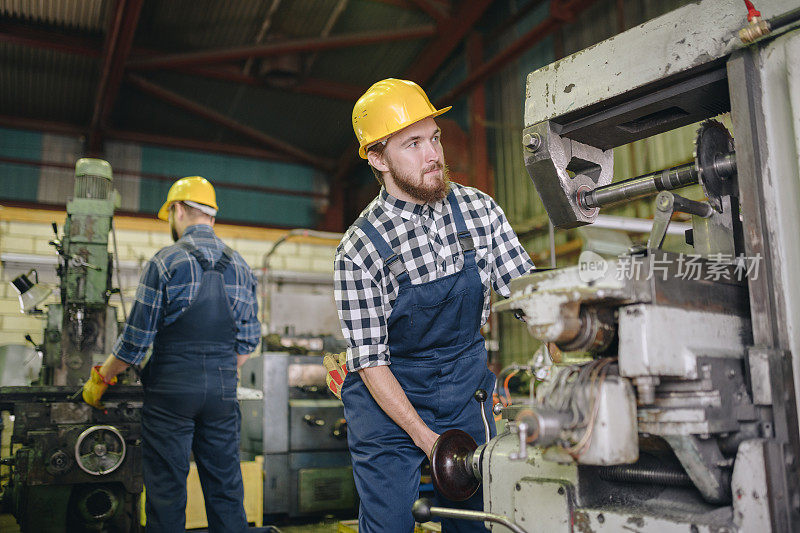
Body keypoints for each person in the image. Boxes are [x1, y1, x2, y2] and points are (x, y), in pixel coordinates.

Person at [332, 78, 535, 532]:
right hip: (389, 396)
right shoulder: (359, 251)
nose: (434, 156)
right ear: (378, 158)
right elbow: (370, 362)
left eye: (435, 138)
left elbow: (528, 297)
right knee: (389, 524)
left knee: (478, 519)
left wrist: (568, 355)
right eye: (413, 144)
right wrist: (427, 440)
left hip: (465, 387)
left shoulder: (479, 211)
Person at [81, 176, 259, 533]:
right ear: (211, 216)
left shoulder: (165, 261)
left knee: (167, 492)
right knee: (226, 490)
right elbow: (249, 341)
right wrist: (220, 370)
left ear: (177, 210)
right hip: (223, 393)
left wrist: (102, 377)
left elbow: (134, 343)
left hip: (171, 393)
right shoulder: (241, 265)